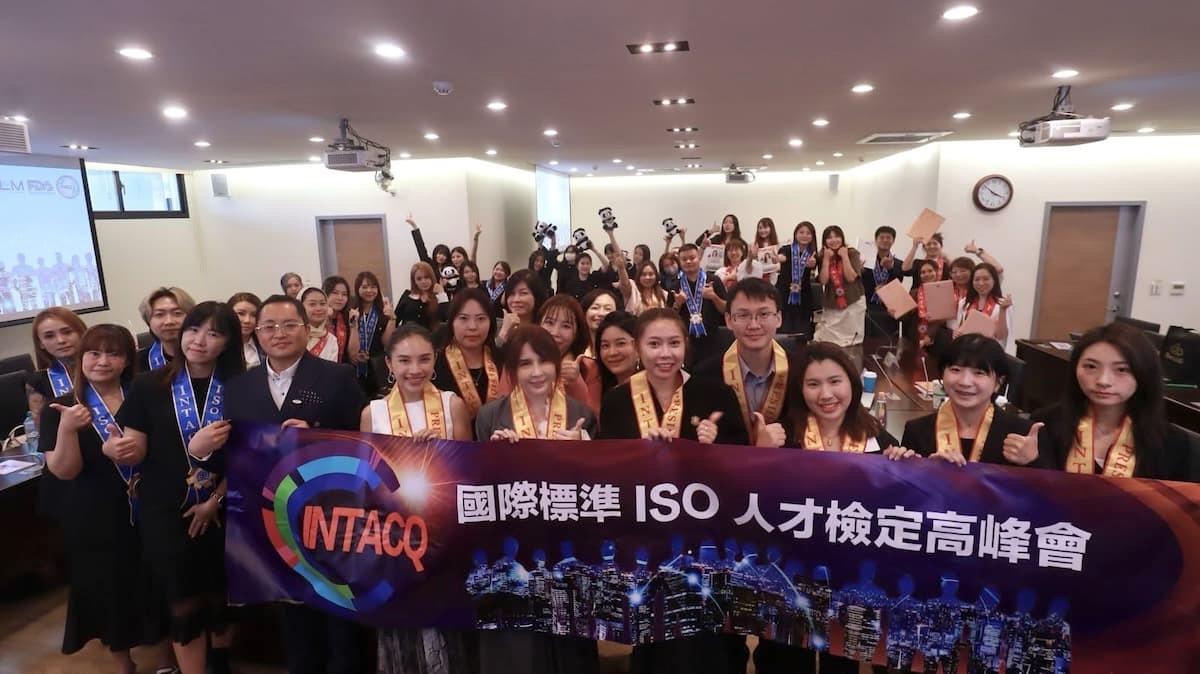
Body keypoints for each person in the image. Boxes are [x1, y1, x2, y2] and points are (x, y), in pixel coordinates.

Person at [224, 294, 367, 674]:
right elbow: (234, 449)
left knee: (337, 601)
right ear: (257, 333)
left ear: (307, 330)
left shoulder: (337, 376)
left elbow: (363, 438)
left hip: (329, 510)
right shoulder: (238, 387)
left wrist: (316, 434)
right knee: (289, 602)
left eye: (290, 325)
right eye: (269, 326)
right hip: (271, 513)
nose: (279, 333)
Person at [598, 309, 746, 674]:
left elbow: (743, 467)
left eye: (674, 343)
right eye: (654, 344)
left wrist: (715, 446)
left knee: (708, 638)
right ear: (638, 348)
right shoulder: (617, 400)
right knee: (654, 634)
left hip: (704, 537)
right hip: (646, 539)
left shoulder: (716, 394)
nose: (665, 353)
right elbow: (607, 470)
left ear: (685, 346)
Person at [756, 341, 905, 674]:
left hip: (850, 581)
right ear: (800, 390)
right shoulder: (782, 437)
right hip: (790, 576)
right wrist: (760, 456)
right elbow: (755, 503)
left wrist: (905, 464)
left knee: (841, 664)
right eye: (813, 384)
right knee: (785, 661)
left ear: (852, 383)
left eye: (835, 381)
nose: (826, 394)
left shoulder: (879, 440)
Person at [116, 302, 245, 674]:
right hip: (167, 512)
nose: (199, 340)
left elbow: (248, 458)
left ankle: (220, 664)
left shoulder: (242, 387)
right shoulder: (149, 385)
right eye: (193, 329)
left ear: (229, 342)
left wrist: (215, 499)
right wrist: (118, 449)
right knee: (182, 599)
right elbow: (137, 448)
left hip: (225, 509)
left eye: (214, 333)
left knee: (222, 596)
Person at [40, 324, 172, 674]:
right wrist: (68, 429)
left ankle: (165, 662)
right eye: (94, 353)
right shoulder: (61, 407)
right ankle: (124, 664)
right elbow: (64, 471)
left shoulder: (145, 396)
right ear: (81, 357)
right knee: (108, 592)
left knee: (156, 584)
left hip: (150, 507)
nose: (102, 361)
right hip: (94, 516)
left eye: (113, 353)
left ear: (127, 360)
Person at [474, 325, 596, 674]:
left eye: (544, 361)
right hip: (513, 548)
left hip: (568, 545)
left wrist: (583, 450)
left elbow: (600, 487)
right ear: (512, 371)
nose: (537, 372)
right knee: (518, 646)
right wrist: (495, 458)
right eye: (525, 364)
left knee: (568, 641)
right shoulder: (490, 416)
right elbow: (478, 488)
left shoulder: (580, 413)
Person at [366, 324, 476, 674]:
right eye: (404, 361)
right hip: (396, 537)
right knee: (404, 633)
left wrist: (440, 453)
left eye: (424, 359)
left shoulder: (451, 404)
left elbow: (469, 472)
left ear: (435, 360)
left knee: (447, 630)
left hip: (445, 535)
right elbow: (368, 482)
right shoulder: (373, 413)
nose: (415, 369)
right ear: (389, 364)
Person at [1033, 322, 1198, 480]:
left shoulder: (1173, 444)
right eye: (1091, 366)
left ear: (1145, 374)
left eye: (1121, 369)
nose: (1103, 381)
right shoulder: (1044, 424)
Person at [901, 335, 1050, 467]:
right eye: (955, 370)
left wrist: (1033, 461)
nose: (965, 382)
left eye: (979, 373)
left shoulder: (1023, 435)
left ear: (998, 383)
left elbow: (1048, 488)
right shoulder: (916, 431)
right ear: (942, 374)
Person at [693, 279, 790, 448]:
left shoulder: (800, 372)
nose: (754, 325)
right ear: (729, 320)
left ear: (779, 318)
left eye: (764, 314)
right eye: (743, 315)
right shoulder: (704, 376)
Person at [30, 307, 88, 521]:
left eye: (67, 331)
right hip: (68, 471)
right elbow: (45, 436)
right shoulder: (37, 382)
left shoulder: (104, 368)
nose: (61, 340)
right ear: (41, 344)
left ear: (81, 332)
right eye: (49, 336)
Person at [433, 289, 500, 424]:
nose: (472, 326)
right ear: (452, 322)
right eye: (463, 318)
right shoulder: (434, 364)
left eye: (481, 319)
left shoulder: (502, 360)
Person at [671, 243, 728, 365]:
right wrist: (677, 304)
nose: (688, 261)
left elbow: (726, 310)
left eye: (692, 258)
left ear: (699, 258)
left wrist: (714, 297)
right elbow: (669, 319)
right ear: (680, 262)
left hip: (713, 340)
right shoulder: (675, 285)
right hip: (687, 343)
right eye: (684, 259)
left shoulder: (713, 280)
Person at [535, 295, 593, 405]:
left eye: (566, 326)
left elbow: (591, 412)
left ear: (576, 333)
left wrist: (576, 382)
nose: (555, 333)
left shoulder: (590, 368)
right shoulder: (518, 360)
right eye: (549, 323)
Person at [814, 225, 865, 347]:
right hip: (832, 302)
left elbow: (851, 278)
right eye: (829, 237)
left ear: (842, 238)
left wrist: (845, 256)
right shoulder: (822, 256)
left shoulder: (852, 253)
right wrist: (826, 259)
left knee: (851, 342)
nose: (833, 240)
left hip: (852, 300)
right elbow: (823, 280)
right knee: (828, 341)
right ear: (824, 241)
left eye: (837, 236)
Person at [586, 311, 639, 417]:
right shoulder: (596, 385)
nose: (612, 353)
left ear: (639, 345)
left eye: (620, 343)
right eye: (605, 346)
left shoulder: (651, 387)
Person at [352, 270, 396, 394]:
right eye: (364, 287)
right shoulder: (351, 310)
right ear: (357, 289)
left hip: (377, 366)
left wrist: (392, 318)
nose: (369, 290)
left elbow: (387, 343)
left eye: (373, 287)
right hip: (354, 366)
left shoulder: (383, 311)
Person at [953, 263, 1013, 349]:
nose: (981, 283)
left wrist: (1002, 310)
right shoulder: (964, 302)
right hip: (966, 350)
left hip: (989, 352)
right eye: (977, 279)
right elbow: (960, 327)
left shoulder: (1002, 304)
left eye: (986, 279)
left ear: (994, 280)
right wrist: (956, 333)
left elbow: (1001, 336)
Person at [775, 221, 819, 339]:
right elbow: (781, 257)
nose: (804, 235)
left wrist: (813, 264)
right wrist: (777, 258)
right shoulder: (786, 249)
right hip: (784, 294)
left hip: (803, 297)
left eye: (808, 233)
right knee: (783, 331)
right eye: (801, 232)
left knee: (802, 333)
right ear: (795, 234)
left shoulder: (813, 254)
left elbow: (815, 266)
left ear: (812, 236)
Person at [137, 287, 197, 372]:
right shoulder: (136, 363)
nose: (169, 321)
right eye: (159, 314)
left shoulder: (210, 357)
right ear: (148, 321)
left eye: (177, 313)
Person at [860, 226, 905, 338]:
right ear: (876, 240)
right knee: (867, 340)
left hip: (889, 309)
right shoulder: (865, 262)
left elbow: (899, 282)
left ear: (893, 241)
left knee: (888, 340)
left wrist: (891, 269)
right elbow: (858, 282)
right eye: (881, 237)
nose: (885, 240)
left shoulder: (898, 263)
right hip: (868, 307)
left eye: (888, 237)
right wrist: (859, 270)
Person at [902, 259, 953, 356]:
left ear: (936, 272)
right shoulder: (914, 292)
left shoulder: (944, 290)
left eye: (930, 271)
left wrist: (930, 335)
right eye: (923, 272)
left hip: (936, 337)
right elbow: (906, 317)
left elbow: (943, 318)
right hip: (915, 335)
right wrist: (895, 312)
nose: (927, 274)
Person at [496, 269, 546, 348]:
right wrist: (504, 333)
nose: (516, 300)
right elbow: (491, 354)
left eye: (523, 293)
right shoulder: (496, 326)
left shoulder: (544, 328)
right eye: (512, 293)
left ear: (536, 296)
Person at [394, 261, 450, 330]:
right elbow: (396, 319)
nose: (423, 281)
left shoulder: (438, 297)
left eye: (426, 277)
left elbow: (446, 319)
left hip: (429, 335)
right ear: (414, 281)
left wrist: (442, 294)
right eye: (419, 279)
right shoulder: (407, 295)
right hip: (407, 335)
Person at [322, 275, 360, 364]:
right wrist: (325, 319)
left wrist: (354, 326)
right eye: (335, 293)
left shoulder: (347, 317)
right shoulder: (316, 317)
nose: (340, 298)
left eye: (344, 294)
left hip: (342, 367)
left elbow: (353, 355)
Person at [299, 287, 341, 362]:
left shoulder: (331, 340)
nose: (318, 308)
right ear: (301, 307)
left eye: (322, 304)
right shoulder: (294, 336)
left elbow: (331, 367)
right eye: (312, 304)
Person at [580, 287, 621, 356]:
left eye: (607, 309)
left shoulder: (621, 349)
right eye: (595, 308)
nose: (601, 313)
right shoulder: (574, 348)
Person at [228, 292, 265, 368]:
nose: (247, 320)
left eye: (254, 315)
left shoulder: (264, 345)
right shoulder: (220, 346)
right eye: (241, 313)